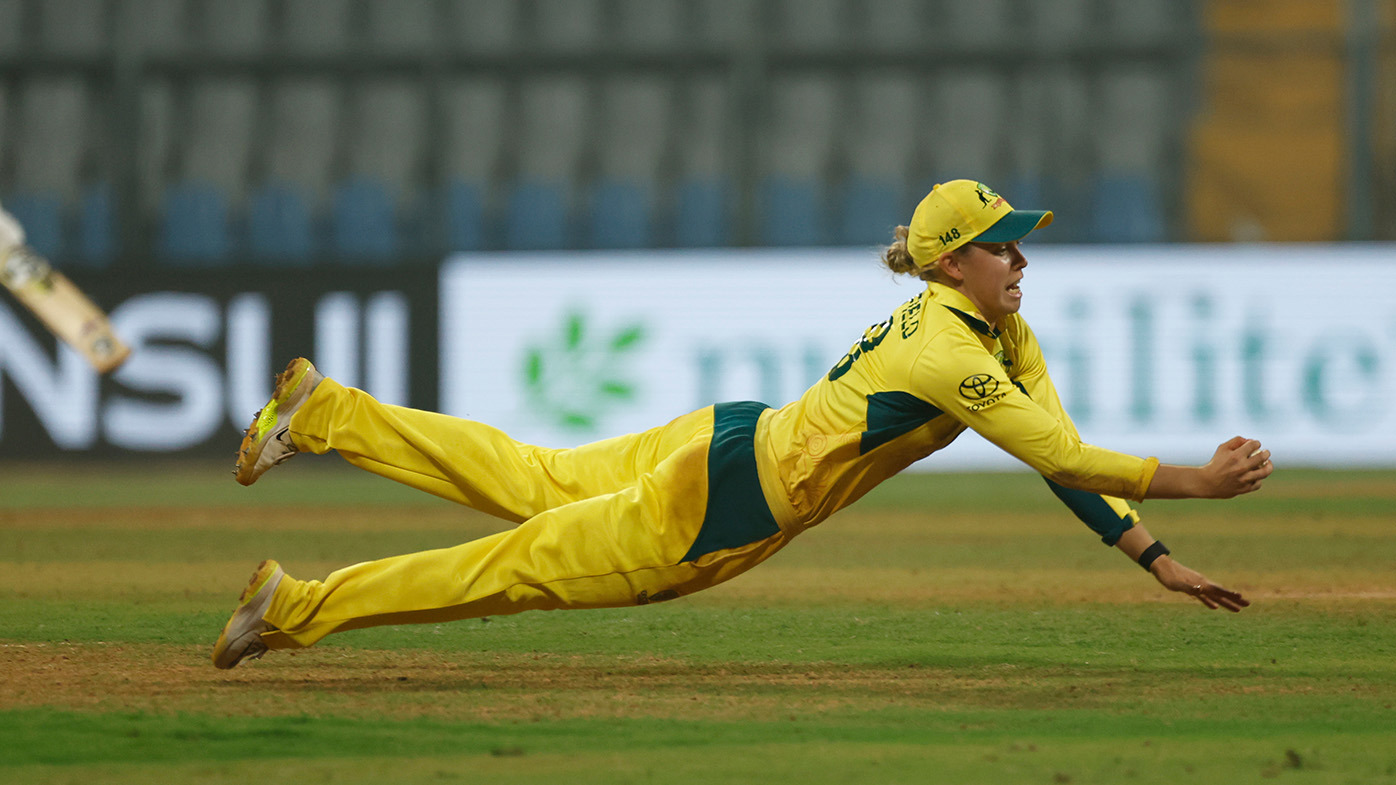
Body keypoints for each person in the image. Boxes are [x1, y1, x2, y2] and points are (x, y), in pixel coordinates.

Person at [213, 179, 1272, 669]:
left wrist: (1153, 554)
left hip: (730, 437)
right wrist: (1200, 482)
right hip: (724, 503)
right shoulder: (951, 352)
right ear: (953, 263)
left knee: (533, 477)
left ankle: (329, 412)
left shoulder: (1000, 331)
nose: (1021, 257)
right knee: (517, 565)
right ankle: (295, 606)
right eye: (1002, 244)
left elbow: (1063, 460)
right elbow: (1063, 453)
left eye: (1019, 240)